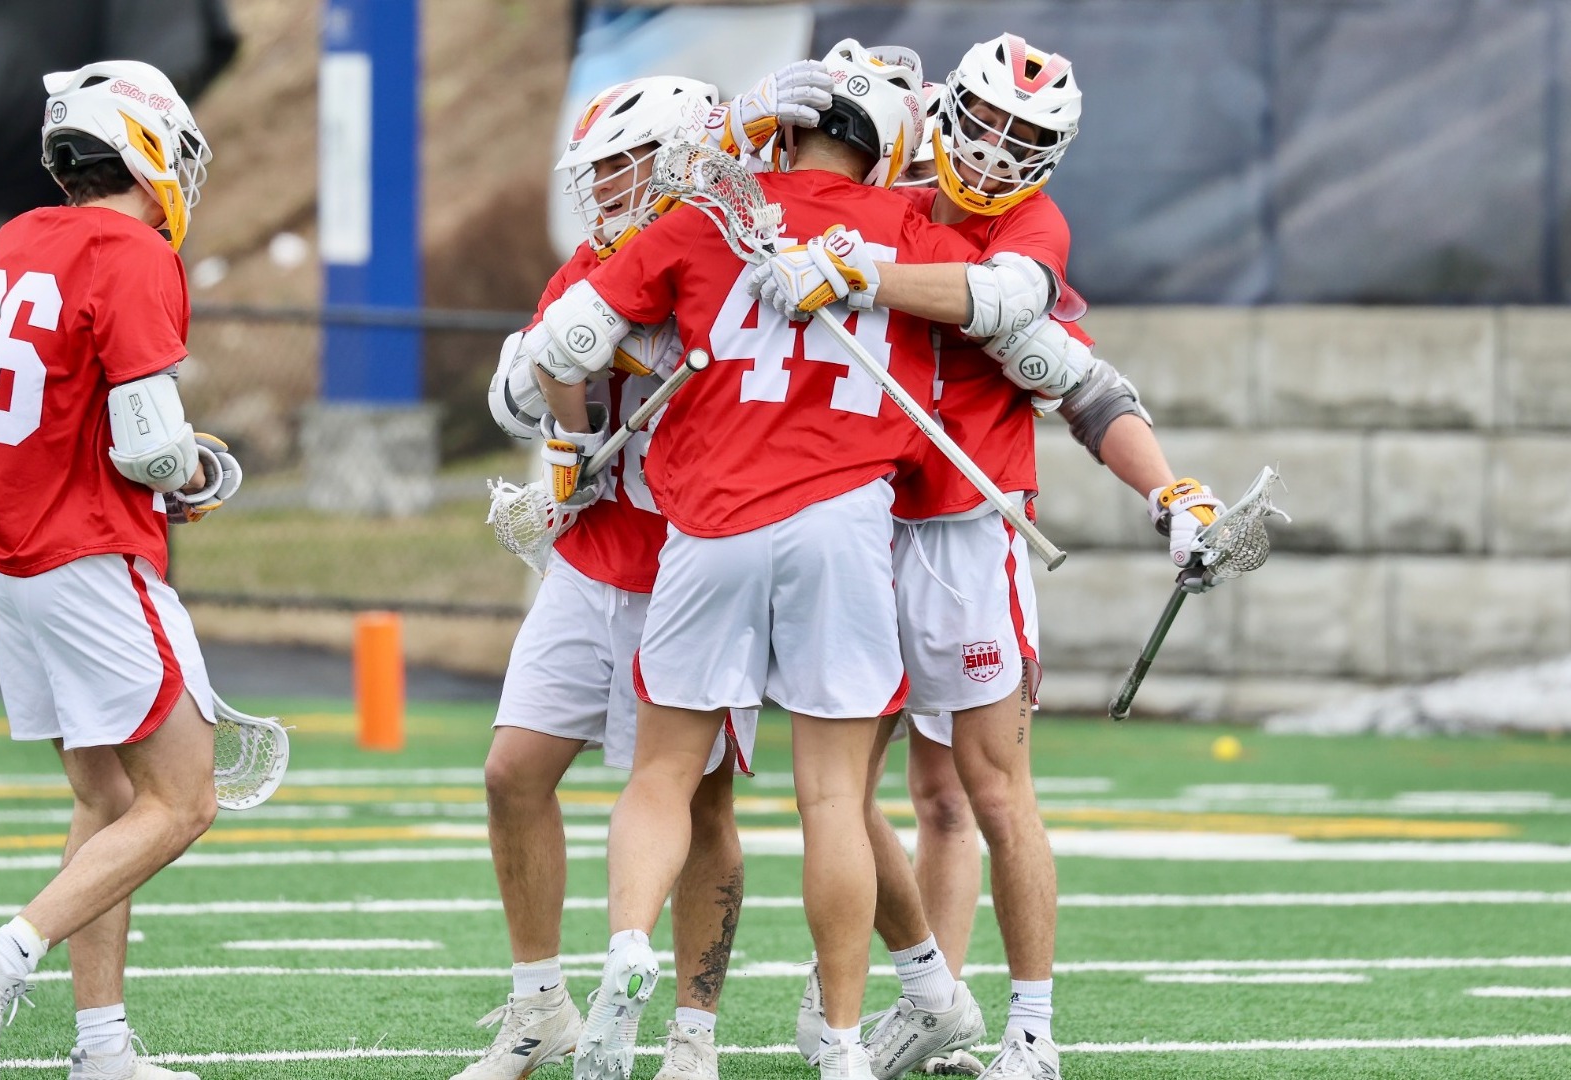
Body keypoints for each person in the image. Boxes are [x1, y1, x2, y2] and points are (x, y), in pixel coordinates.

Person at [533, 39, 1057, 1080]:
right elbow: (1010, 304)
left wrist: (566, 442)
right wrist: (870, 265)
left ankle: (630, 949)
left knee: (661, 776)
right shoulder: (912, 227)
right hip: (841, 525)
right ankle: (848, 1046)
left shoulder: (700, 218)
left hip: (709, 524)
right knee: (835, 800)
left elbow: (562, 349)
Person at [752, 34, 1226, 1080]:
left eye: (1029, 137)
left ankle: (1031, 1033)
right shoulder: (887, 167)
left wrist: (1170, 493)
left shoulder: (1024, 227)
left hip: (971, 525)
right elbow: (777, 179)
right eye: (991, 122)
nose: (1002, 150)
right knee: (838, 787)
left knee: (981, 792)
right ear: (943, 108)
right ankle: (923, 984)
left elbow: (1039, 339)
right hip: (854, 511)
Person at [462, 64, 832, 1080]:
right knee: (512, 772)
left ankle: (693, 1036)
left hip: (697, 565)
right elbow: (515, 389)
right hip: (591, 564)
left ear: (680, 162)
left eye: (626, 163)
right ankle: (540, 1004)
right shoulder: (598, 263)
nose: (607, 185)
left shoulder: (737, 259)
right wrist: (571, 414)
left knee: (699, 805)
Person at [0, 59, 240, 1080]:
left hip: (13, 563)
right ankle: (0, 957)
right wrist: (195, 470)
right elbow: (148, 445)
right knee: (185, 797)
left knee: (107, 796)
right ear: (146, 154)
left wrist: (161, 465)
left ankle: (102, 1048)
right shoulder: (133, 250)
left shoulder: (21, 236)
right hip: (88, 556)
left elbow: (79, 407)